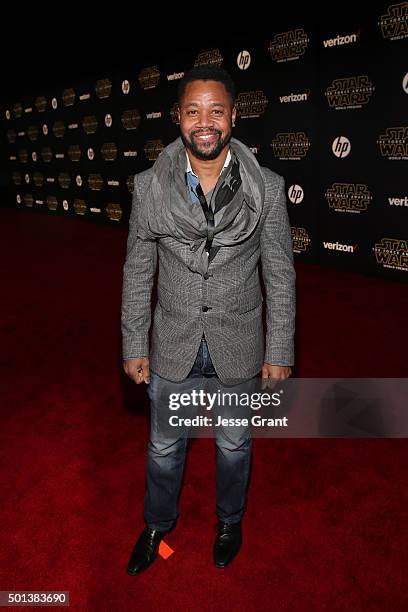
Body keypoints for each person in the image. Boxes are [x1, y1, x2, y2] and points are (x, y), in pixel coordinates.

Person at [121, 64, 296, 574]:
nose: (205, 122)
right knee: (163, 448)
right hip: (172, 338)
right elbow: (138, 269)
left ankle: (230, 520)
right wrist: (135, 344)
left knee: (235, 444)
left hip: (238, 340)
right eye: (193, 111)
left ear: (233, 117)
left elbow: (280, 273)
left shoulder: (267, 187)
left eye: (216, 111)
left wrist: (279, 350)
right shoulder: (149, 187)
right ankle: (157, 525)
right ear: (178, 117)